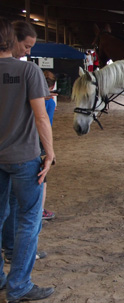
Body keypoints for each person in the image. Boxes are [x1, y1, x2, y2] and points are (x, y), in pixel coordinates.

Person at [0, 18, 55, 302]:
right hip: (23, 156)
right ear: (11, 40)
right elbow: (41, 115)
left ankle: (1, 277)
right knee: (28, 219)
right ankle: (19, 285)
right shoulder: (28, 71)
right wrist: (51, 152)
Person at [41, 70, 57, 221]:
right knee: (41, 179)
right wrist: (50, 150)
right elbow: (47, 125)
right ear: (52, 87)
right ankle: (40, 210)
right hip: (38, 145)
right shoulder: (49, 102)